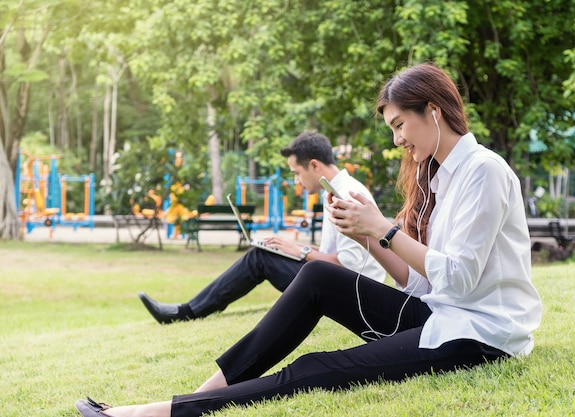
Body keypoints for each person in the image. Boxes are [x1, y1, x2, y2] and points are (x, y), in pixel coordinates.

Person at [75, 63, 542, 417]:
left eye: (400, 124)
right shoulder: (440, 180)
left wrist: (382, 228)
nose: (397, 139)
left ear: (433, 112)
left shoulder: (484, 171)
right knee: (318, 275)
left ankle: (161, 412)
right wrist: (368, 232)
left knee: (317, 368)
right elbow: (419, 283)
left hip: (479, 335)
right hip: (442, 313)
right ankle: (202, 393)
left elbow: (459, 281)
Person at [138, 131, 387, 324]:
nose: (296, 181)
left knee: (260, 258)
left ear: (314, 165)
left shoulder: (347, 196)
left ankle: (188, 312)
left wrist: (298, 251)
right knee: (266, 253)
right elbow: (336, 256)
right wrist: (295, 248)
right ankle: (190, 309)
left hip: (354, 295)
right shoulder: (333, 191)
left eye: (296, 173)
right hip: (340, 283)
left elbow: (351, 268)